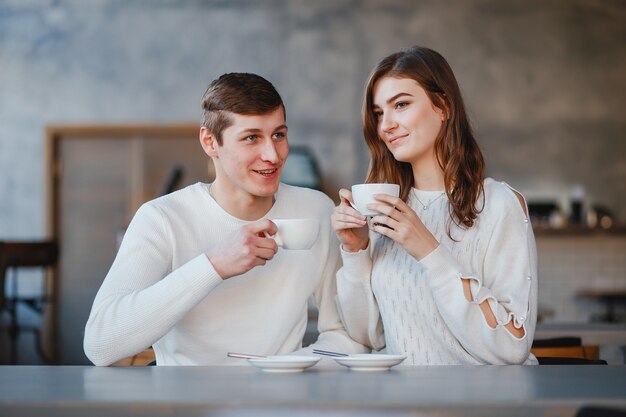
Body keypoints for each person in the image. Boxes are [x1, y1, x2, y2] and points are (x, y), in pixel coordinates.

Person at [84, 73, 366, 366]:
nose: (272, 154)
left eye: (279, 135)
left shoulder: (316, 209)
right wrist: (214, 264)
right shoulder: (162, 219)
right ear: (210, 142)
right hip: (185, 406)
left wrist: (280, 368)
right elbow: (101, 345)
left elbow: (348, 336)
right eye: (251, 138)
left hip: (278, 404)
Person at [332, 47, 538, 365]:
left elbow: (512, 347)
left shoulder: (499, 205)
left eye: (400, 104)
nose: (385, 125)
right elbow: (368, 337)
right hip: (406, 405)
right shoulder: (384, 210)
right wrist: (355, 252)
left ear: (442, 106)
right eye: (378, 113)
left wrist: (430, 251)